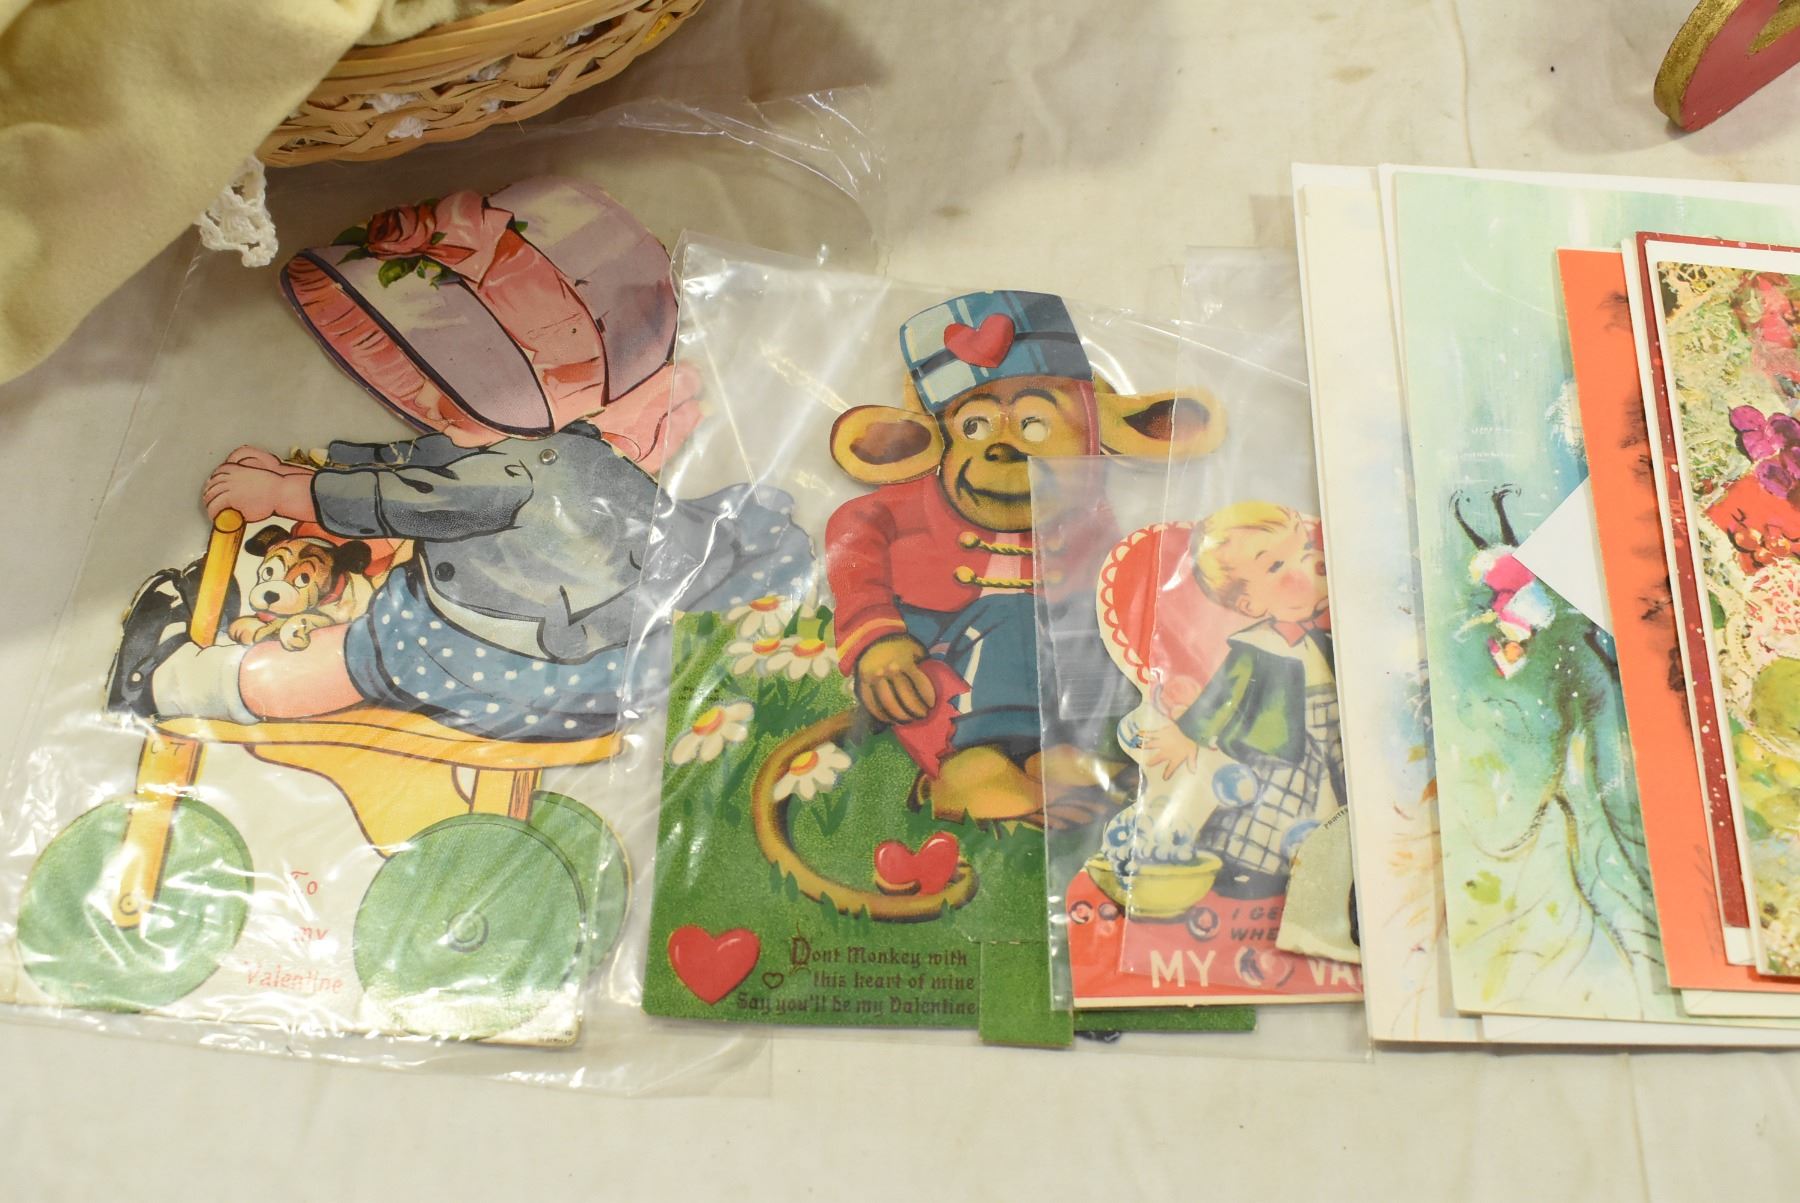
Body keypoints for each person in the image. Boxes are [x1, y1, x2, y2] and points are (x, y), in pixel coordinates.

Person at [1137, 501, 1341, 898]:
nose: (1310, 564)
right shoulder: (1256, 647)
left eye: (1304, 550)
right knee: (1273, 803)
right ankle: (1247, 865)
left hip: (1331, 733)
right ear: (1250, 605)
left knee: (1338, 796)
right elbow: (1222, 696)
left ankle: (1333, 865)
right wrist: (1188, 734)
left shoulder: (1325, 643)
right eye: (1276, 565)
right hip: (1280, 748)